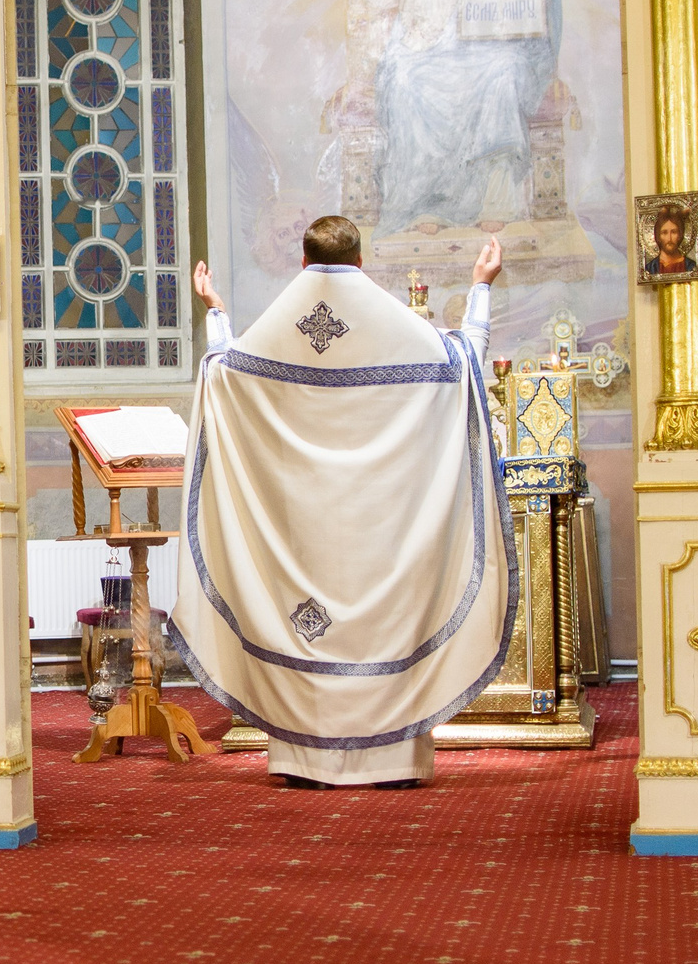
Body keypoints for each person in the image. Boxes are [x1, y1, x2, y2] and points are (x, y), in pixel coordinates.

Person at [169, 216, 513, 788]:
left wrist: (216, 313)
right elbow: (466, 367)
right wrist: (481, 286)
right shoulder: (399, 330)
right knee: (387, 623)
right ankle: (392, 762)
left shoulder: (273, 334)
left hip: (300, 532)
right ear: (360, 261)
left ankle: (304, 761)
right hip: (383, 531)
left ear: (303, 262)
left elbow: (223, 379)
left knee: (302, 619)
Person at [342, 0, 561, 231]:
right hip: (421, 52)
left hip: (478, 55)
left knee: (506, 70)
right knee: (405, 80)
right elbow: (375, 0)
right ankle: (424, 205)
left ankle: (494, 201)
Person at [643, 203, 697, 280]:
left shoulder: (691, 267)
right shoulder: (650, 269)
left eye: (674, 232)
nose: (669, 238)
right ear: (658, 236)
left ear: (680, 235)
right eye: (664, 233)